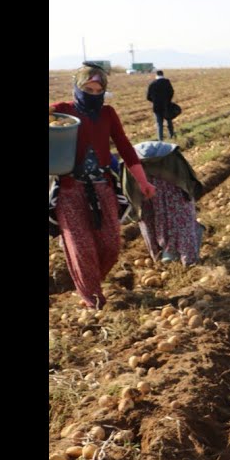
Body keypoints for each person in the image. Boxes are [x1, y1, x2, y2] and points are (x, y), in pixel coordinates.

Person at [50, 63, 157, 308]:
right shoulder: (62, 111)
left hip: (102, 187)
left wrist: (143, 182)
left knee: (111, 244)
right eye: (88, 88)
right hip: (69, 189)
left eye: (99, 90)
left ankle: (90, 282)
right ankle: (93, 300)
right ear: (77, 86)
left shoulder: (108, 113)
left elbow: (126, 149)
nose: (93, 94)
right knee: (82, 248)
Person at [124, 141, 205, 266]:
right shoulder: (172, 160)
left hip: (142, 181)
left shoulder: (130, 163)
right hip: (168, 181)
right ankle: (188, 259)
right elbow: (188, 179)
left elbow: (128, 191)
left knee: (148, 219)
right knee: (181, 218)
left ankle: (160, 255)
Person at [146, 69, 176, 141]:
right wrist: (168, 100)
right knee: (169, 121)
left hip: (156, 107)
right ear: (163, 74)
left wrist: (155, 101)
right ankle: (171, 136)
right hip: (166, 105)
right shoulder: (167, 82)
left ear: (156, 75)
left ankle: (160, 139)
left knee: (159, 124)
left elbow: (148, 97)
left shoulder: (152, 84)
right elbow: (171, 92)